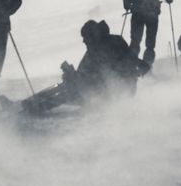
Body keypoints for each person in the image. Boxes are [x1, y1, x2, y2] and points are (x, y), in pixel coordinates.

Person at [16, 19, 149, 116]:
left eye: (85, 37)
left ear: (92, 36)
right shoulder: (108, 43)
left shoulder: (101, 50)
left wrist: (71, 75)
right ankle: (27, 106)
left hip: (109, 97)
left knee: (67, 92)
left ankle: (30, 109)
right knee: (64, 87)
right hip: (111, 93)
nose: (83, 41)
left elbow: (92, 79)